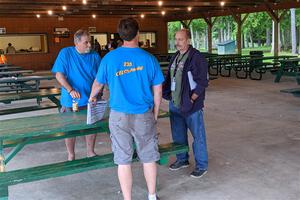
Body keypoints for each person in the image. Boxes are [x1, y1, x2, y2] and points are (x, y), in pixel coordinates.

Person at [89, 18, 164, 200]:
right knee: (148, 156)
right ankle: (152, 196)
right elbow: (158, 89)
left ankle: (127, 198)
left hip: (119, 116)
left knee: (123, 160)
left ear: (120, 35)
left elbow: (98, 84)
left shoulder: (109, 58)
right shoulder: (149, 58)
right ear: (138, 33)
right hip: (143, 114)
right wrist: (154, 113)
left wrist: (92, 97)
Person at [162, 29, 209, 178]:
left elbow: (202, 82)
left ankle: (202, 165)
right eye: (175, 39)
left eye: (181, 39)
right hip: (175, 104)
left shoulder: (196, 57)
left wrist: (192, 99)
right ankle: (182, 159)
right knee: (178, 135)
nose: (177, 42)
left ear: (188, 40)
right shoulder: (176, 56)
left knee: (198, 136)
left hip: (191, 106)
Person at [52, 29, 101, 161]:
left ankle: (90, 151)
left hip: (90, 99)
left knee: (91, 127)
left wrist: (96, 94)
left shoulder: (95, 56)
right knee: (70, 129)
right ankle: (71, 154)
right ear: (77, 42)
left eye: (89, 42)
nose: (89, 45)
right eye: (86, 42)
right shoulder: (66, 53)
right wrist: (70, 89)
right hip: (71, 101)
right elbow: (59, 75)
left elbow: (99, 78)